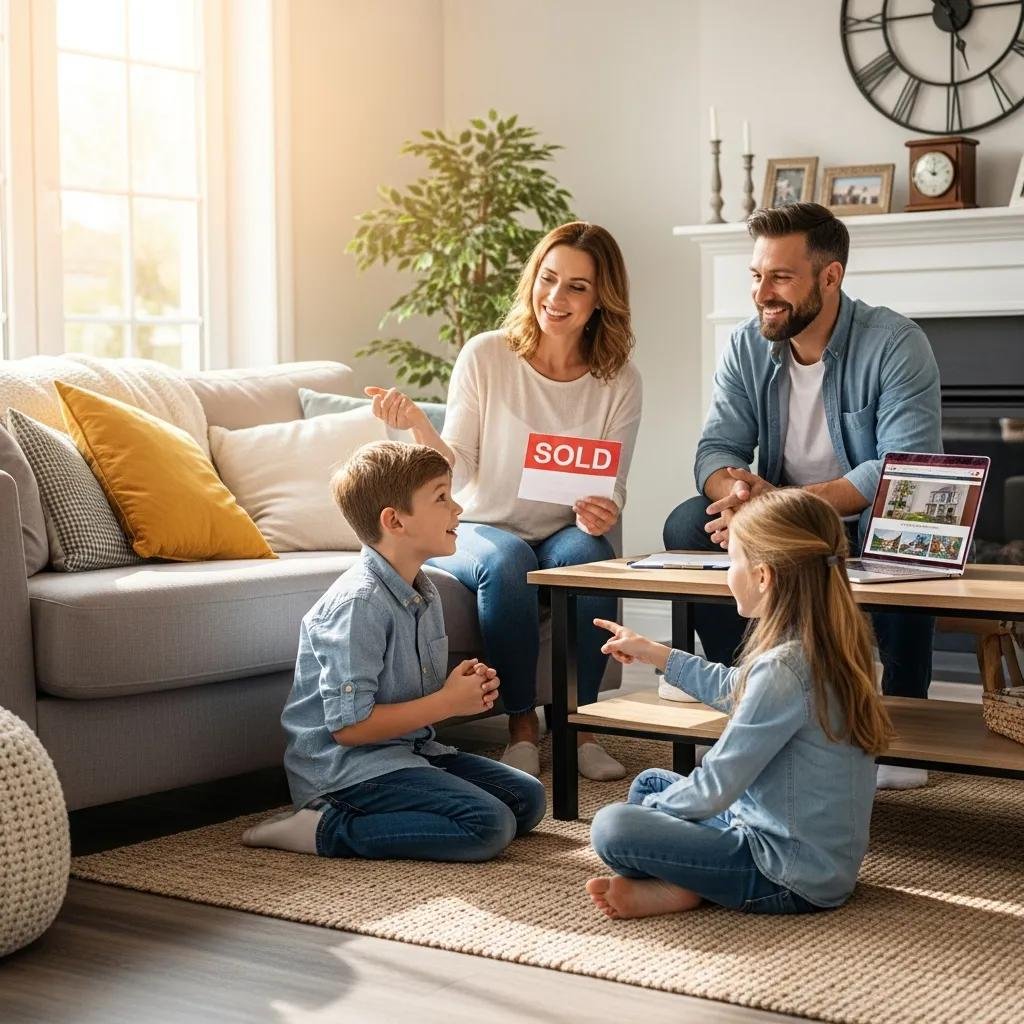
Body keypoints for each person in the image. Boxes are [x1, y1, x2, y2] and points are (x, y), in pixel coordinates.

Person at [662, 202, 940, 790]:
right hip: (779, 517)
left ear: (830, 276)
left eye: (781, 277)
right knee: (689, 524)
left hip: (859, 518)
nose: (763, 293)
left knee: (909, 528)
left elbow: (905, 468)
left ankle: (900, 719)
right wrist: (740, 493)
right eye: (756, 276)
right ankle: (750, 696)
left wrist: (782, 506)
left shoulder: (895, 342)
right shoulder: (747, 344)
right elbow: (715, 449)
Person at [364, 222, 643, 782]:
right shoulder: (487, 355)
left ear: (601, 300)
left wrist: (606, 507)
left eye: (577, 287)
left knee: (590, 555)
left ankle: (582, 727)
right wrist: (418, 423)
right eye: (548, 279)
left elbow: (613, 480)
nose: (555, 298)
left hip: (561, 526)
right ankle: (521, 726)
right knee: (509, 560)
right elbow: (458, 470)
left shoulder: (619, 380)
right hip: (479, 524)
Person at [586, 488, 893, 919]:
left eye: (732, 561)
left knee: (614, 825)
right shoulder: (826, 644)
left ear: (763, 576)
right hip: (814, 860)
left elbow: (716, 786)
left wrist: (652, 818)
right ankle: (685, 881)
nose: (728, 573)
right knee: (651, 783)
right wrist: (654, 652)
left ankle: (688, 885)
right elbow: (736, 687)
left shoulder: (783, 668)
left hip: (785, 874)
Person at [242, 441, 546, 860]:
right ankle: (323, 829)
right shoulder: (359, 604)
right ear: (395, 521)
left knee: (527, 799)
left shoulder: (425, 591)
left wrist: (461, 689)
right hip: (346, 772)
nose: (458, 509)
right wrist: (446, 702)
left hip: (407, 751)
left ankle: (391, 809)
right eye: (441, 497)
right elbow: (350, 730)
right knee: (488, 824)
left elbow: (408, 695)